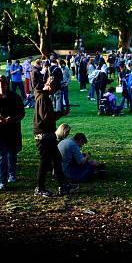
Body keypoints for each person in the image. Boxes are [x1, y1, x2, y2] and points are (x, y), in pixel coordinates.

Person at [33, 66, 79, 197]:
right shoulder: (43, 98)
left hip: (47, 134)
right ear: (50, 85)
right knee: (45, 161)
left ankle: (63, 185)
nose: (55, 92)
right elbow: (46, 118)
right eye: (55, 88)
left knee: (56, 159)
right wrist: (60, 114)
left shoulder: (44, 96)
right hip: (43, 134)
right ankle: (40, 187)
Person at [0, 75, 25, 191]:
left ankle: (12, 174)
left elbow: (21, 113)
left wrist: (11, 119)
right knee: (1, 157)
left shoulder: (15, 97)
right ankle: (2, 182)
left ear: (7, 84)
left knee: (12, 154)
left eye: (3, 83)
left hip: (12, 131)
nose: (1, 85)